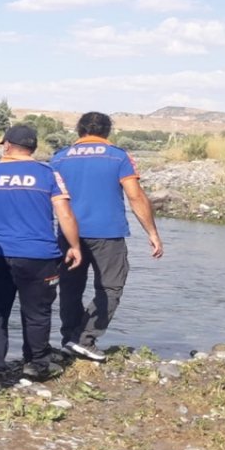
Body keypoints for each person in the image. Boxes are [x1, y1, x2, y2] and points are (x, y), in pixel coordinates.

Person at [0, 125, 83, 391]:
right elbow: (64, 213)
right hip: (38, 254)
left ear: (7, 145)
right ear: (32, 148)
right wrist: (74, 245)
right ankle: (36, 363)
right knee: (37, 312)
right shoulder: (47, 174)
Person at [51, 112, 164, 362]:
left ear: (79, 130)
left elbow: (48, 196)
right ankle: (85, 338)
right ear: (107, 131)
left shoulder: (59, 157)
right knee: (111, 287)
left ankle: (70, 338)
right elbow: (135, 196)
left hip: (69, 234)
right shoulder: (118, 156)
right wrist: (153, 233)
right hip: (108, 234)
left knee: (70, 288)